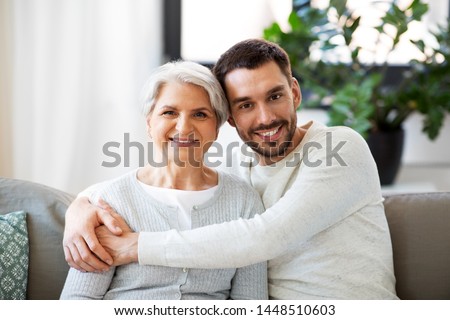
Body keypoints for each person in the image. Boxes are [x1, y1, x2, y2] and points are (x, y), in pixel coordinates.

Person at [63, 39, 398, 299]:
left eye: (275, 96)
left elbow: (268, 235)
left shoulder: (339, 147)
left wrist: (135, 246)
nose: (265, 118)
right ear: (231, 119)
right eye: (246, 105)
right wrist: (80, 207)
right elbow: (145, 187)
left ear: (295, 93)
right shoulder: (240, 166)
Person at [59, 60, 268, 300]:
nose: (184, 127)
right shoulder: (110, 203)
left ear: (217, 129)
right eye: (169, 112)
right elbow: (77, 300)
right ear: (149, 123)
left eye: (200, 114)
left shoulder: (243, 201)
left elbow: (252, 303)